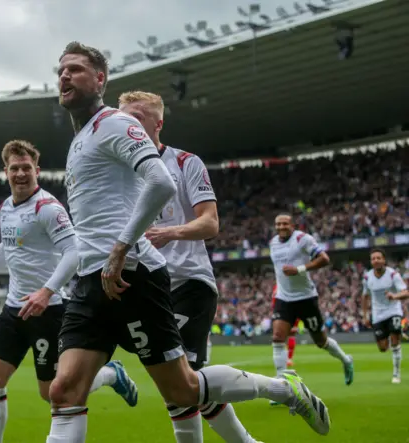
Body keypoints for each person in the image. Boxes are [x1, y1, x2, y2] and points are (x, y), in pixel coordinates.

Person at [45, 41, 331, 443]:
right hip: (92, 281)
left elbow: (165, 186)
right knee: (63, 390)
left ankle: (283, 389)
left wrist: (122, 246)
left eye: (75, 69)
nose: (64, 75)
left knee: (182, 391)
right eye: (61, 70)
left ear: (100, 79)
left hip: (134, 275)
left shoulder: (117, 125)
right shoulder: (80, 141)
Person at [0, 140, 138, 443]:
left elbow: (73, 252)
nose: (21, 174)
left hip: (49, 310)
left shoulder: (47, 208)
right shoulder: (6, 207)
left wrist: (47, 292)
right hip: (14, 309)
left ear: (37, 170)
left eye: (26, 168)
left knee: (50, 391)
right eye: (15, 168)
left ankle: (110, 374)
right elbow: (8, 245)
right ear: (5, 171)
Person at [119, 90, 262, 443]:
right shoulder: (119, 172)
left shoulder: (184, 162)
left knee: (178, 383)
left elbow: (210, 224)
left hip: (190, 283)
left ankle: (279, 390)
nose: (128, 125)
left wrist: (170, 233)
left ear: (158, 123)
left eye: (137, 117)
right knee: (187, 383)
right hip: (149, 287)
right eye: (123, 118)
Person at [269, 214, 354, 397]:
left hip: (306, 298)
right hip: (284, 298)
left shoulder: (302, 239)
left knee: (320, 341)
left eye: (285, 223)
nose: (281, 226)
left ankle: (346, 360)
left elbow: (324, 258)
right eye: (278, 224)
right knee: (277, 337)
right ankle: (282, 387)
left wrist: (299, 269)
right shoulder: (273, 242)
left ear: (292, 225)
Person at [363, 248, 408, 383]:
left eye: (378, 258)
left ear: (384, 260)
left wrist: (394, 296)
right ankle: (392, 334)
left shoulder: (393, 275)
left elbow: (406, 292)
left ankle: (396, 373)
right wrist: (365, 315)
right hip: (378, 314)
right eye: (373, 259)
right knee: (383, 348)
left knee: (395, 342)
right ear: (371, 262)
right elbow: (365, 296)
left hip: (393, 311)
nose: (376, 260)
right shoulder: (367, 277)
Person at [272, 284, 297, 368]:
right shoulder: (291, 283)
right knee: (290, 335)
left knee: (282, 336)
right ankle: (288, 359)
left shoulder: (278, 285)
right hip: (292, 308)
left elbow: (274, 300)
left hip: (280, 310)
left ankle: (285, 360)